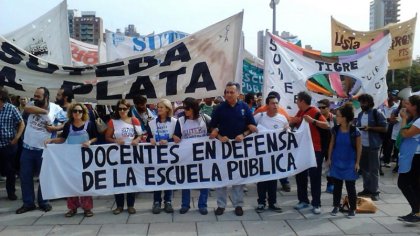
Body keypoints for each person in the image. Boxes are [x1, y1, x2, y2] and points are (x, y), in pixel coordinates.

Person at [209, 81, 257, 216]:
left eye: (231, 92)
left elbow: (251, 127)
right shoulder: (219, 108)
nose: (228, 94)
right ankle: (221, 205)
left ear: (238, 94)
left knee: (237, 177)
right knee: (221, 176)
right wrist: (219, 137)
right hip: (222, 147)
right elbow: (212, 127)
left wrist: (243, 134)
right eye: (226, 92)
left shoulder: (245, 107)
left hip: (239, 148)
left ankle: (238, 204)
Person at [44, 102, 97, 217]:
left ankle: (87, 208)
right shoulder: (68, 125)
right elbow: (62, 139)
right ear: (71, 113)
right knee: (71, 182)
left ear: (83, 113)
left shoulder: (90, 124)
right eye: (75, 111)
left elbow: (95, 137)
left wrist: (89, 142)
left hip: (86, 159)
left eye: (80, 111)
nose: (77, 113)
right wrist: (51, 141)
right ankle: (72, 208)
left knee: (85, 182)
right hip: (71, 159)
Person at [16, 87, 62, 214]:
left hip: (44, 150)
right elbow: (26, 109)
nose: (35, 98)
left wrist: (55, 128)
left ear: (46, 97)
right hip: (27, 148)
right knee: (25, 176)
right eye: (35, 95)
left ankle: (43, 201)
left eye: (38, 96)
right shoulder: (32, 104)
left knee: (44, 176)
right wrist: (44, 112)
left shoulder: (56, 108)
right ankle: (28, 203)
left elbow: (67, 122)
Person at [289, 91, 329, 214]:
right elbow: (294, 122)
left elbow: (326, 125)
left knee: (315, 176)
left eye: (297, 100)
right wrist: (292, 122)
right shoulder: (301, 112)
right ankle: (303, 200)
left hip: (315, 149)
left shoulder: (315, 112)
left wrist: (312, 121)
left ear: (302, 101)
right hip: (302, 149)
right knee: (300, 175)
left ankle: (316, 203)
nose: (296, 103)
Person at [105, 99, 143, 215]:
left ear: (128, 109)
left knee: (131, 179)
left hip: (132, 155)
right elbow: (107, 137)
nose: (122, 111)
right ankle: (119, 206)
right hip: (117, 156)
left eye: (124, 108)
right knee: (119, 180)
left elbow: (140, 135)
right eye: (120, 109)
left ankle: (131, 205)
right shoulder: (113, 122)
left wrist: (136, 140)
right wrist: (115, 140)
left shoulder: (134, 120)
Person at [173, 97, 210, 215]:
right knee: (186, 181)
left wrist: (214, 132)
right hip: (187, 157)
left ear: (193, 108)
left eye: (187, 108)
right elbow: (176, 135)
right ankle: (185, 204)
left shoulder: (204, 118)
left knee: (204, 180)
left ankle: (202, 205)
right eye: (184, 108)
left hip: (202, 155)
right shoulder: (181, 120)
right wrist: (175, 137)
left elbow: (214, 128)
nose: (185, 110)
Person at [254, 94, 287, 213]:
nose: (275, 105)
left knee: (273, 179)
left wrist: (287, 128)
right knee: (262, 179)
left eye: (277, 103)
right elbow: (251, 126)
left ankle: (273, 202)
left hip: (275, 156)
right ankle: (261, 202)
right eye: (273, 103)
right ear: (267, 105)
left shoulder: (282, 119)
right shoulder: (260, 116)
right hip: (262, 156)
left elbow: (287, 136)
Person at [327, 103, 361, 218]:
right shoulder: (335, 130)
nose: (337, 117)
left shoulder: (355, 131)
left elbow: (359, 148)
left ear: (345, 118)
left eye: (339, 116)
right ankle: (336, 206)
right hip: (337, 161)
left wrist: (357, 162)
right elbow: (331, 144)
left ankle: (353, 208)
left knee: (350, 186)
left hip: (350, 162)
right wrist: (329, 158)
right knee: (337, 186)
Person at [146, 98, 180, 214]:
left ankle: (168, 201)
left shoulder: (175, 122)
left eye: (161, 107)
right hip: (156, 155)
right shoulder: (151, 122)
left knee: (169, 177)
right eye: (158, 107)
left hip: (170, 155)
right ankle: (156, 202)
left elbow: (178, 137)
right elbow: (148, 137)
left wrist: (169, 140)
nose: (159, 109)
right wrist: (150, 139)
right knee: (157, 178)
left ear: (167, 109)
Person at [356, 94, 387, 201]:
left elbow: (384, 128)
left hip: (374, 145)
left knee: (374, 169)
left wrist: (370, 128)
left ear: (369, 103)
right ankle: (367, 189)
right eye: (360, 102)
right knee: (364, 169)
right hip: (362, 146)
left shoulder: (377, 113)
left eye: (363, 102)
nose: (361, 104)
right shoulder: (360, 114)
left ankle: (375, 191)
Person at [396, 95, 420, 223]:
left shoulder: (418, 121)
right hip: (412, 155)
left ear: (415, 106)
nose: (406, 106)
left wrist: (404, 119)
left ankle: (416, 211)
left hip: (415, 156)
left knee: (403, 183)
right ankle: (417, 211)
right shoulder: (415, 119)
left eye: (408, 104)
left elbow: (405, 133)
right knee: (414, 184)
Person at [0, 87, 25, 201]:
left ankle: (11, 192)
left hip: (9, 144)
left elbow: (21, 124)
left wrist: (16, 138)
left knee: (10, 170)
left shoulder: (11, 109)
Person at [317, 99, 335, 194]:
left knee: (330, 165)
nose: (320, 109)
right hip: (319, 146)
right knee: (317, 166)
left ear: (328, 108)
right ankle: (316, 185)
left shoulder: (334, 118)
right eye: (319, 107)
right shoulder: (317, 118)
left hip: (330, 146)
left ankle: (330, 184)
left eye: (323, 107)